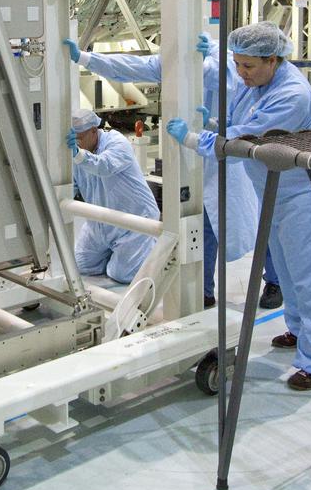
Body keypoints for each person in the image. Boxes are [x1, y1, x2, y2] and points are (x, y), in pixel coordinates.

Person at [165, 20, 311, 391]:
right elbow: (239, 121)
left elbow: (245, 138)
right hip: (274, 192)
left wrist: (196, 139)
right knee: (289, 272)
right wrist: (214, 120)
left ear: (273, 59)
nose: (241, 72)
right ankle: (298, 330)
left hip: (306, 197)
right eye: (236, 64)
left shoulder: (292, 94)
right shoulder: (256, 85)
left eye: (248, 65)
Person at [63, 36, 280, 309]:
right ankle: (203, 290)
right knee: (202, 227)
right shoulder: (176, 63)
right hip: (194, 159)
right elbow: (131, 67)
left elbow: (228, 85)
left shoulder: (225, 64)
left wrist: (205, 72)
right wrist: (85, 58)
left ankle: (275, 281)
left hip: (233, 157)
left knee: (260, 219)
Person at [67, 109, 159, 284]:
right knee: (82, 266)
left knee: (121, 275)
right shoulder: (76, 153)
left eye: (80, 138)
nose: (77, 143)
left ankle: (149, 245)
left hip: (133, 221)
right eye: (74, 138)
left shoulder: (117, 142)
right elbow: (71, 187)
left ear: (94, 130)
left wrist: (78, 155)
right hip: (99, 223)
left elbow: (104, 166)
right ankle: (119, 253)